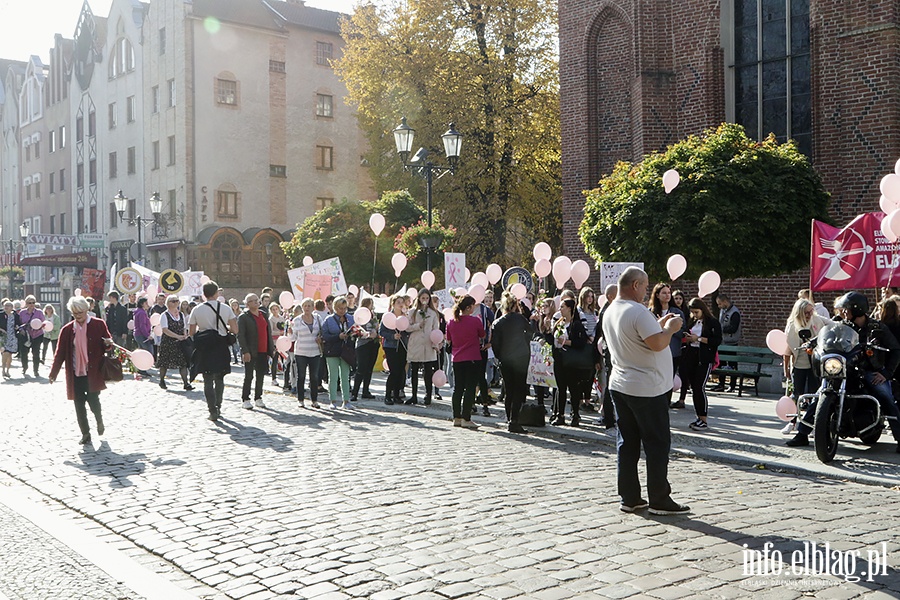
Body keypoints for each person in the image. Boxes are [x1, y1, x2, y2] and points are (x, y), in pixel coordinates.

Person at [602, 267, 689, 515]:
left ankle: (630, 497)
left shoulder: (611, 309)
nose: (647, 291)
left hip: (621, 383)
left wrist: (658, 325)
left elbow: (639, 336)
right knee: (657, 443)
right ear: (636, 285)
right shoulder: (637, 311)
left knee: (627, 443)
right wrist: (671, 327)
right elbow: (657, 343)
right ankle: (660, 499)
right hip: (646, 387)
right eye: (645, 286)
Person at [787, 291, 900, 453]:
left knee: (886, 397)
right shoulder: (840, 322)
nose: (843, 312)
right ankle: (802, 433)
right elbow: (824, 335)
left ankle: (899, 437)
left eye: (847, 309)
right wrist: (811, 343)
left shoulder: (876, 327)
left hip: (869, 370)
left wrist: (886, 374)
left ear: (857, 309)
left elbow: (896, 350)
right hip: (844, 367)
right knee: (820, 395)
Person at [48, 296, 113, 444]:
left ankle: (99, 420)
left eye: (81, 313)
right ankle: (85, 434)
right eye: (75, 313)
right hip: (75, 372)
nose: (78, 316)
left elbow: (107, 343)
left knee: (93, 400)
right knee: (78, 404)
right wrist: (53, 373)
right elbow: (60, 353)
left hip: (93, 371)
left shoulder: (98, 324)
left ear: (87, 310)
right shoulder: (67, 330)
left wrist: (108, 343)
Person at [189, 281, 238, 421]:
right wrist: (224, 329)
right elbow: (235, 329)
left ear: (204, 294)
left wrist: (204, 329)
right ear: (216, 293)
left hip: (205, 347)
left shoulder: (197, 310)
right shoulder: (225, 308)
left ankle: (212, 410)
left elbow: (191, 332)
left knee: (207, 379)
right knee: (220, 377)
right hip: (221, 345)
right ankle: (218, 405)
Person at [781, 298, 829, 435]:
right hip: (799, 364)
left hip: (814, 364)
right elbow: (787, 349)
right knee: (796, 394)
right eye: (806, 312)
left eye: (810, 311)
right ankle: (793, 422)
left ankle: (813, 424)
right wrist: (786, 369)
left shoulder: (816, 320)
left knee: (815, 394)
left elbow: (826, 331)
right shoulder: (791, 325)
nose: (809, 315)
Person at [678, 297, 722, 431]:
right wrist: (688, 338)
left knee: (699, 387)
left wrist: (700, 339)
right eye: (692, 312)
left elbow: (717, 340)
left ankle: (704, 418)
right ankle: (698, 417)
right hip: (691, 355)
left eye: (696, 312)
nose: (694, 315)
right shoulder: (692, 321)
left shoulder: (712, 322)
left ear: (702, 310)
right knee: (693, 388)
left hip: (704, 357)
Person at [491, 291, 533, 433]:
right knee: (519, 390)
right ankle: (514, 420)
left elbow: (495, 345)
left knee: (509, 390)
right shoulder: (520, 319)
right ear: (515, 305)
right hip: (520, 358)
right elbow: (530, 333)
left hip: (506, 360)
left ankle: (510, 418)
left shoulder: (498, 323)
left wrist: (501, 357)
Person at [551, 298, 593, 427]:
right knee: (560, 388)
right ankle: (560, 415)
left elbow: (581, 342)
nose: (560, 309)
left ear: (569, 308)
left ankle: (575, 415)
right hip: (559, 360)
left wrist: (567, 342)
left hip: (572, 361)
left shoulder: (576, 325)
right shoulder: (559, 323)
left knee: (574, 389)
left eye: (563, 307)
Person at [446, 295, 486, 428]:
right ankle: (466, 418)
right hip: (472, 357)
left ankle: (456, 416)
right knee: (470, 388)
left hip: (457, 358)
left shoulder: (451, 322)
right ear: (468, 307)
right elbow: (482, 334)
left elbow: (449, 339)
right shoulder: (475, 321)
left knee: (458, 388)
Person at [237, 293, 274, 410]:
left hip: (263, 350)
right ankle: (245, 398)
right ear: (247, 304)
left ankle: (258, 397)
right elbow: (241, 335)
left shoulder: (263, 314)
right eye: (253, 301)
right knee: (249, 376)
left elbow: (268, 332)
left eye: (257, 300)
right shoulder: (243, 317)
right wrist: (245, 351)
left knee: (260, 375)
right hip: (251, 351)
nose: (256, 302)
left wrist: (270, 349)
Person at [406, 289, 441, 405]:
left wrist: (435, 343)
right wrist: (418, 326)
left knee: (428, 371)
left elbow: (436, 329)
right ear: (419, 299)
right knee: (414, 369)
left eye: (427, 298)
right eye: (423, 298)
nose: (425, 300)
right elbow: (407, 327)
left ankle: (428, 395)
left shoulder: (433, 313)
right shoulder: (412, 312)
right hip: (416, 343)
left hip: (428, 343)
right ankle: (414, 395)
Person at [322, 296, 356, 409]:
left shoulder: (350, 318)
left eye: (344, 308)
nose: (342, 310)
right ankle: (332, 400)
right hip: (332, 350)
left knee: (345, 376)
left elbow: (356, 330)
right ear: (335, 307)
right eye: (340, 308)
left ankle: (346, 401)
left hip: (346, 351)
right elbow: (325, 336)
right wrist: (338, 336)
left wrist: (356, 333)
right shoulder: (329, 320)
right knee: (333, 376)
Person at [290, 298, 324, 408]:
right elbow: (293, 337)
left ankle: (314, 400)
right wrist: (289, 333)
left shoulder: (317, 318)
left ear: (313, 307)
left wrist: (321, 338)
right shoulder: (297, 320)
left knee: (314, 377)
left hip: (315, 351)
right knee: (301, 376)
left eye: (309, 306)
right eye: (305, 306)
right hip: (301, 351)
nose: (307, 308)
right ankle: (301, 399)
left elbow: (322, 332)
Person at [157, 295, 194, 391]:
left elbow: (184, 327)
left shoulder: (181, 314)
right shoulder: (164, 315)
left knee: (183, 363)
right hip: (168, 342)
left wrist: (185, 335)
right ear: (168, 303)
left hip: (180, 342)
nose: (175, 303)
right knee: (164, 363)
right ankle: (161, 380)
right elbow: (165, 329)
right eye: (173, 301)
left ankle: (186, 383)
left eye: (176, 301)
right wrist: (177, 336)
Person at [594, 284, 618, 428]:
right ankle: (608, 417)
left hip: (609, 352)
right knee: (610, 386)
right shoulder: (608, 312)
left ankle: (609, 416)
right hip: (610, 353)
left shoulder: (609, 310)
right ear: (610, 297)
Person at [379, 294, 409, 405]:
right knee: (394, 371)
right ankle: (388, 395)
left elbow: (408, 330)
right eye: (398, 303)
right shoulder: (388, 316)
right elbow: (381, 331)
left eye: (402, 302)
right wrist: (392, 336)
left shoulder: (405, 316)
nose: (401, 305)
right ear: (393, 304)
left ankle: (397, 395)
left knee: (401, 371)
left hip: (403, 346)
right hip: (390, 346)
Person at [351, 297, 379, 401]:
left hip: (373, 344)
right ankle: (355, 392)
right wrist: (367, 335)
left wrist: (376, 331)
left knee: (369, 369)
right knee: (361, 368)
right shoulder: (360, 314)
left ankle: (366, 390)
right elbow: (356, 331)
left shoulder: (373, 315)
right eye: (369, 304)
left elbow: (376, 326)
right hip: (363, 345)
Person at [713, 293, 742, 392]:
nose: (719, 306)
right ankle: (721, 384)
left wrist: (720, 329)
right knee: (721, 363)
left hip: (731, 342)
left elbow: (733, 328)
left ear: (725, 302)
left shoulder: (734, 312)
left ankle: (732, 385)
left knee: (732, 365)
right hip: (723, 342)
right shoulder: (722, 311)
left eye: (720, 304)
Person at [18, 295, 45, 377]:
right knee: (24, 352)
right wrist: (21, 330)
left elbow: (44, 323)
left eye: (33, 302)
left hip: (37, 335)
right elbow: (19, 324)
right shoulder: (22, 313)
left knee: (36, 353)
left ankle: (36, 370)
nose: (31, 304)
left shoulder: (39, 312)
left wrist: (39, 327)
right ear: (26, 303)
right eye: (29, 303)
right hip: (25, 335)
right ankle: (24, 367)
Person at [268, 302, 287, 387]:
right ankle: (273, 378)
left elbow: (284, 327)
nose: (275, 311)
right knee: (275, 360)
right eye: (273, 309)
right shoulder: (271, 319)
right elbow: (270, 331)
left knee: (285, 360)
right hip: (275, 342)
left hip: (283, 341)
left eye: (276, 309)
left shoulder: (282, 318)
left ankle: (287, 378)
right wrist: (279, 332)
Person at [1, 300, 21, 379]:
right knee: (5, 353)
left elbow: (18, 324)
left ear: (12, 308)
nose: (6, 307)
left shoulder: (15, 315)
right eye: (5, 305)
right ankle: (3, 370)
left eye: (8, 305)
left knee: (9, 355)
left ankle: (8, 370)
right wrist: (1, 330)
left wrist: (17, 327)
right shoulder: (1, 315)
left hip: (13, 337)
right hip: (3, 337)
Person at [228, 298, 242, 364]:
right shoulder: (230, 313)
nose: (234, 306)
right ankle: (236, 359)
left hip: (240, 330)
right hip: (232, 330)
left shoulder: (240, 313)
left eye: (236, 305)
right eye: (233, 305)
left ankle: (242, 359)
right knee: (234, 345)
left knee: (240, 345)